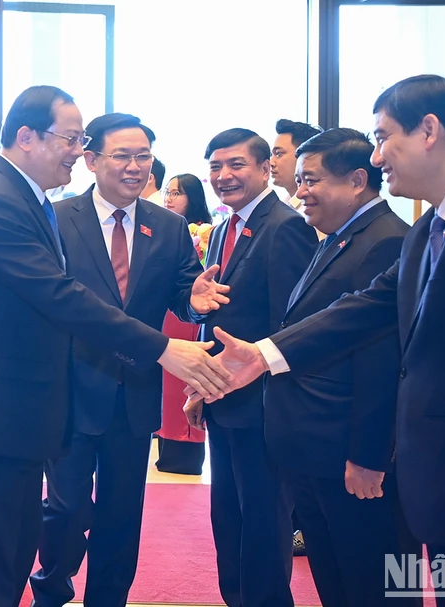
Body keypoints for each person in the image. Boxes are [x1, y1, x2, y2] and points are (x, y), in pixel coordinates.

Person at [191, 75, 445, 606]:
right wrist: (264, 356)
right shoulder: (438, 221)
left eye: (384, 138)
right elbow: (364, 308)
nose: (379, 157)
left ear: (429, 130)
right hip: (442, 479)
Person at [0, 85, 232, 607]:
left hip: (19, 414)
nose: (75, 149)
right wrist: (164, 349)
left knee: (12, 555)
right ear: (26, 137)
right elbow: (61, 297)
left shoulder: (24, 197)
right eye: (71, 138)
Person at [31, 113, 229, 607]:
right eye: (122, 155)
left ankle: (108, 599)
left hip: (133, 392)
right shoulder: (57, 219)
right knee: (66, 506)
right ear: (92, 159)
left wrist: (193, 300)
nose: (135, 166)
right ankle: (51, 588)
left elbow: (183, 289)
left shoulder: (168, 226)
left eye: (143, 156)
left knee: (123, 513)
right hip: (72, 389)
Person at [269, 127, 417, 605]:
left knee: (374, 584)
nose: (300, 192)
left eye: (310, 180)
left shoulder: (386, 242)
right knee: (336, 581)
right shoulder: (337, 237)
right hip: (317, 452)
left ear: (357, 180)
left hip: (352, 458)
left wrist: (369, 456)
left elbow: (381, 363)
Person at [198, 128, 318, 607]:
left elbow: (290, 324)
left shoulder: (284, 226)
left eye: (236, 165)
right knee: (229, 517)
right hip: (223, 400)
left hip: (263, 407)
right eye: (215, 166)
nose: (224, 176)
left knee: (265, 522)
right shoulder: (224, 227)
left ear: (265, 168)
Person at [156, 173, 212, 475]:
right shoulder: (161, 228)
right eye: (168, 191)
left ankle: (186, 447)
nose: (170, 198)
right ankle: (166, 442)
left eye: (177, 193)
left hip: (189, 314)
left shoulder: (204, 231)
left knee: (185, 379)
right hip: (166, 314)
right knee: (167, 383)